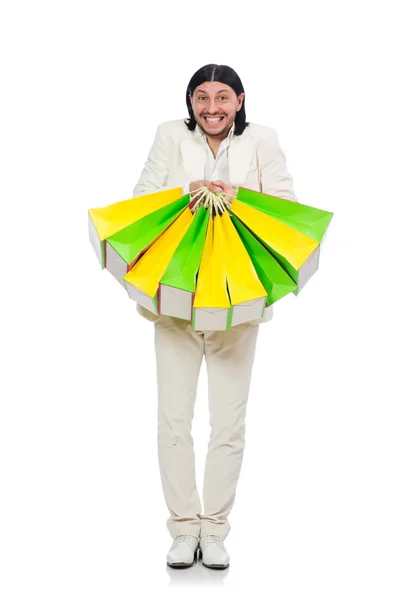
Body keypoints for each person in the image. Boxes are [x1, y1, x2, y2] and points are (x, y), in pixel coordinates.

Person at [133, 64, 299, 569]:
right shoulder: (169, 136)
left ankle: (216, 531)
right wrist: (187, 195)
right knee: (173, 421)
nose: (211, 108)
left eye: (222, 97)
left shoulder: (262, 141)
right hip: (177, 296)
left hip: (236, 300)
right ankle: (184, 530)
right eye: (201, 98)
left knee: (228, 423)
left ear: (240, 100)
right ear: (191, 102)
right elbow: (140, 200)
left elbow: (288, 207)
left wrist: (238, 198)